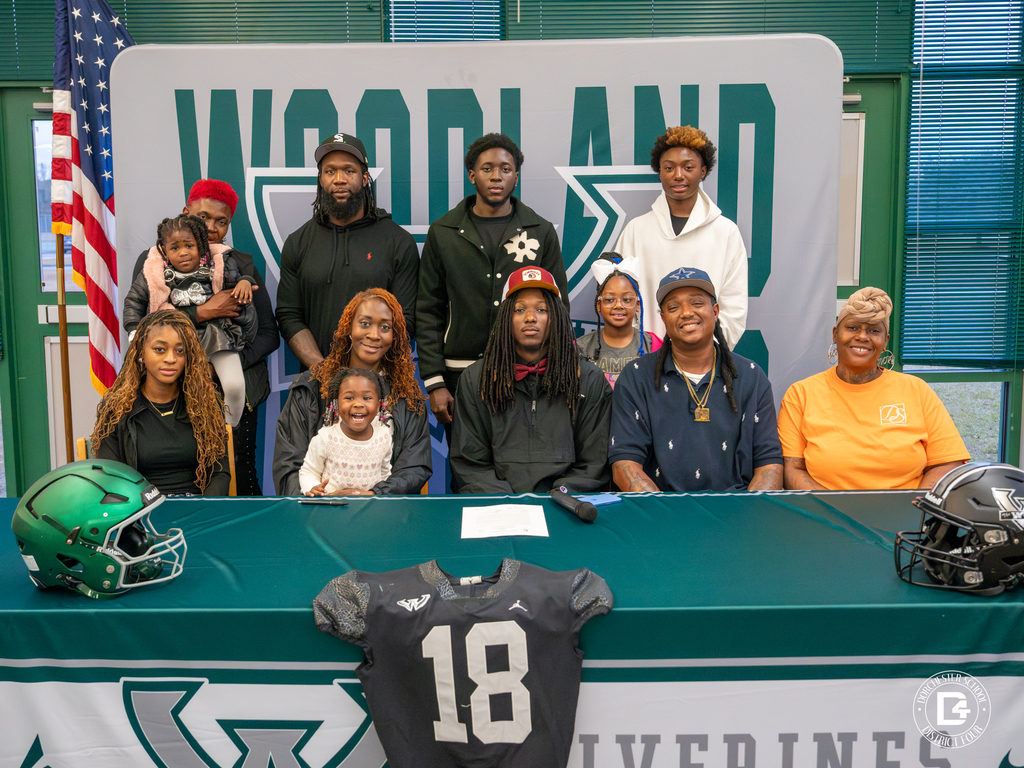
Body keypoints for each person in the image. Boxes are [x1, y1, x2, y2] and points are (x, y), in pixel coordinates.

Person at [132, 179, 280, 495]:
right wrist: (202, 313)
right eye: (203, 217)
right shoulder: (155, 263)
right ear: (187, 212)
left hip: (233, 391)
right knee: (186, 479)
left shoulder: (239, 263)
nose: (211, 227)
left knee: (239, 480)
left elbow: (269, 334)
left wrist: (226, 361)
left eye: (221, 221)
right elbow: (144, 327)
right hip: (174, 388)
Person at [417, 133, 568, 440]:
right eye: (487, 168)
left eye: (505, 169)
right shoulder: (443, 232)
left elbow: (558, 308)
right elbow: (428, 309)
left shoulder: (541, 231)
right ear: (472, 175)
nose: (496, 176)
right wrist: (435, 382)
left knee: (525, 464)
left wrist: (554, 372)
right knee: (467, 470)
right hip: (459, 374)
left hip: (526, 374)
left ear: (516, 176)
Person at [777, 287, 970, 490]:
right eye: (852, 327)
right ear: (835, 334)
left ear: (885, 341)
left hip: (905, 515)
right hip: (827, 516)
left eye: (874, 330)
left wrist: (913, 510)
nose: (862, 336)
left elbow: (948, 463)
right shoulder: (801, 395)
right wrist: (835, 514)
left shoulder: (916, 390)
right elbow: (792, 470)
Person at [610, 267, 782, 492]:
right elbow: (624, 464)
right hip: (662, 514)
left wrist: (747, 518)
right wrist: (666, 518)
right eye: (673, 307)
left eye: (697, 303)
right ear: (663, 318)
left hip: (737, 512)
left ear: (716, 311)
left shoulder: (751, 376)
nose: (686, 313)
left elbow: (769, 464)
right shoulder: (636, 376)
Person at [450, 266, 612, 494]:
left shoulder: (588, 380)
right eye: (519, 309)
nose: (530, 318)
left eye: (542, 309)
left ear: (556, 316)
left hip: (564, 510)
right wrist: (508, 506)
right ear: (506, 317)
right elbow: (470, 467)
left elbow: (594, 466)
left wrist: (556, 501)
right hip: (497, 511)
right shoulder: (476, 380)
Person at [276, 132, 419, 370]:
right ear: (320, 179)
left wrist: (361, 377)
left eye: (349, 171)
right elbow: (289, 315)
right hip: (318, 382)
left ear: (364, 178)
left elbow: (406, 321)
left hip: (380, 384)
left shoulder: (397, 241)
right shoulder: (298, 242)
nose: (339, 179)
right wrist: (325, 371)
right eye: (330, 171)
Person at [274, 288, 430, 496]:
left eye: (385, 327)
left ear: (395, 336)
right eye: (364, 323)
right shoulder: (310, 387)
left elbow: (414, 467)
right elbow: (288, 466)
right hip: (317, 514)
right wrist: (318, 500)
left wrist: (374, 495)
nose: (374, 335)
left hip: (385, 513)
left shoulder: (407, 396)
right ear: (349, 328)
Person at [615, 125, 748, 348]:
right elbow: (620, 298)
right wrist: (642, 353)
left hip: (705, 361)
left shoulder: (725, 232)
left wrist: (704, 353)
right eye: (669, 168)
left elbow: (734, 307)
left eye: (688, 167)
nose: (678, 175)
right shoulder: (636, 230)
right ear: (659, 172)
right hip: (646, 361)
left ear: (703, 172)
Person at [123, 214, 255, 427]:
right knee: (180, 394)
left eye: (189, 246)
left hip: (215, 336)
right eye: (175, 248)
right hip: (175, 343)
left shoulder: (218, 264)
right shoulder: (154, 272)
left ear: (201, 246)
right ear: (164, 250)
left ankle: (227, 431)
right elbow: (133, 302)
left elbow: (239, 280)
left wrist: (246, 282)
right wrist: (133, 332)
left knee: (233, 386)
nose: (183, 252)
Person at [91, 309, 230, 496]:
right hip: (140, 513)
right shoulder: (115, 409)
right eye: (160, 349)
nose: (170, 359)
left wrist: (203, 512)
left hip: (197, 513)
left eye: (180, 351)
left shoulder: (206, 403)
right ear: (141, 351)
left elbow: (219, 473)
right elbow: (112, 479)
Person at [300, 367, 393, 496]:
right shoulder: (325, 437)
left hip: (370, 510)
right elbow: (308, 472)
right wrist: (312, 488)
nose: (358, 404)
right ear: (337, 404)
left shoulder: (384, 436)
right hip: (332, 509)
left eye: (366, 398)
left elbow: (385, 474)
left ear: (378, 406)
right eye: (349, 398)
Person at [576, 252, 661, 388]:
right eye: (609, 300)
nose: (618, 305)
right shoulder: (580, 348)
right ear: (599, 304)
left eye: (627, 299)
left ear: (638, 304)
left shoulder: (653, 346)